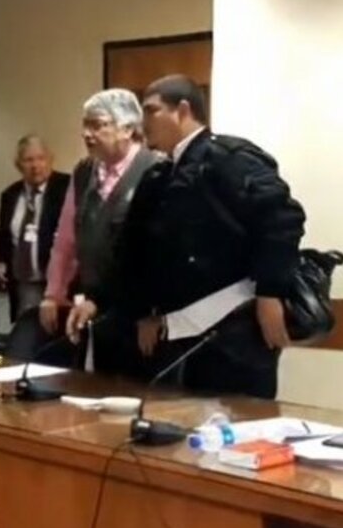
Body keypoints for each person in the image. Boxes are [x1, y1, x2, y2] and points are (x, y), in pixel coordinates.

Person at [117, 74, 306, 398]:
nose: (143, 122)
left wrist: (270, 292)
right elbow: (141, 249)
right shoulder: (159, 175)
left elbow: (281, 220)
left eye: (151, 110)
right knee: (175, 422)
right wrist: (144, 310)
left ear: (183, 110)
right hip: (175, 332)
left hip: (235, 331)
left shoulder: (229, 157)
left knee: (240, 421)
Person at [7, 89, 156, 371]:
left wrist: (152, 312)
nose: (87, 134)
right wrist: (53, 294)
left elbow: (157, 255)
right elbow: (66, 239)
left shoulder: (155, 170)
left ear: (127, 129)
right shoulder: (84, 172)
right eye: (85, 125)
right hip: (93, 305)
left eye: (98, 125)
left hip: (138, 311)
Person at [0, 134, 69, 322]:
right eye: (28, 160)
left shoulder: (67, 188)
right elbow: (4, 235)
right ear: (19, 165)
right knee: (26, 332)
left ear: (50, 160)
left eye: (41, 158)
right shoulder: (10, 195)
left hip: (60, 285)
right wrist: (0, 260)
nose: (35, 165)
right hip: (24, 284)